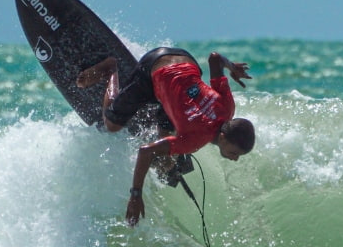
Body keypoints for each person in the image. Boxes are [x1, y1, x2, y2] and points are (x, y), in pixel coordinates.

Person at [76, 47, 255, 226]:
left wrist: (232, 68)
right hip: (152, 67)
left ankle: (160, 109)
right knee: (111, 124)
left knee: (170, 146)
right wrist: (135, 195)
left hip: (185, 58)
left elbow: (214, 59)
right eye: (234, 153)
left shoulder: (228, 107)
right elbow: (146, 152)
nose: (235, 159)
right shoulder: (194, 140)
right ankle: (110, 69)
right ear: (223, 137)